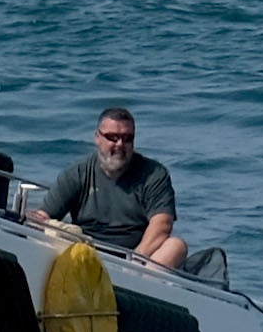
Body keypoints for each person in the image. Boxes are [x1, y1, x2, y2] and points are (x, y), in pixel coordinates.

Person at [31, 107, 187, 268]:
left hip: (136, 261)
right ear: (97, 137)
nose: (120, 144)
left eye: (127, 138)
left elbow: (162, 224)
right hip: (85, 257)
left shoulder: (154, 174)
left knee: (176, 246)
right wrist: (29, 219)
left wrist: (135, 260)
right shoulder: (77, 174)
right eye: (113, 137)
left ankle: (132, 282)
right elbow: (44, 216)